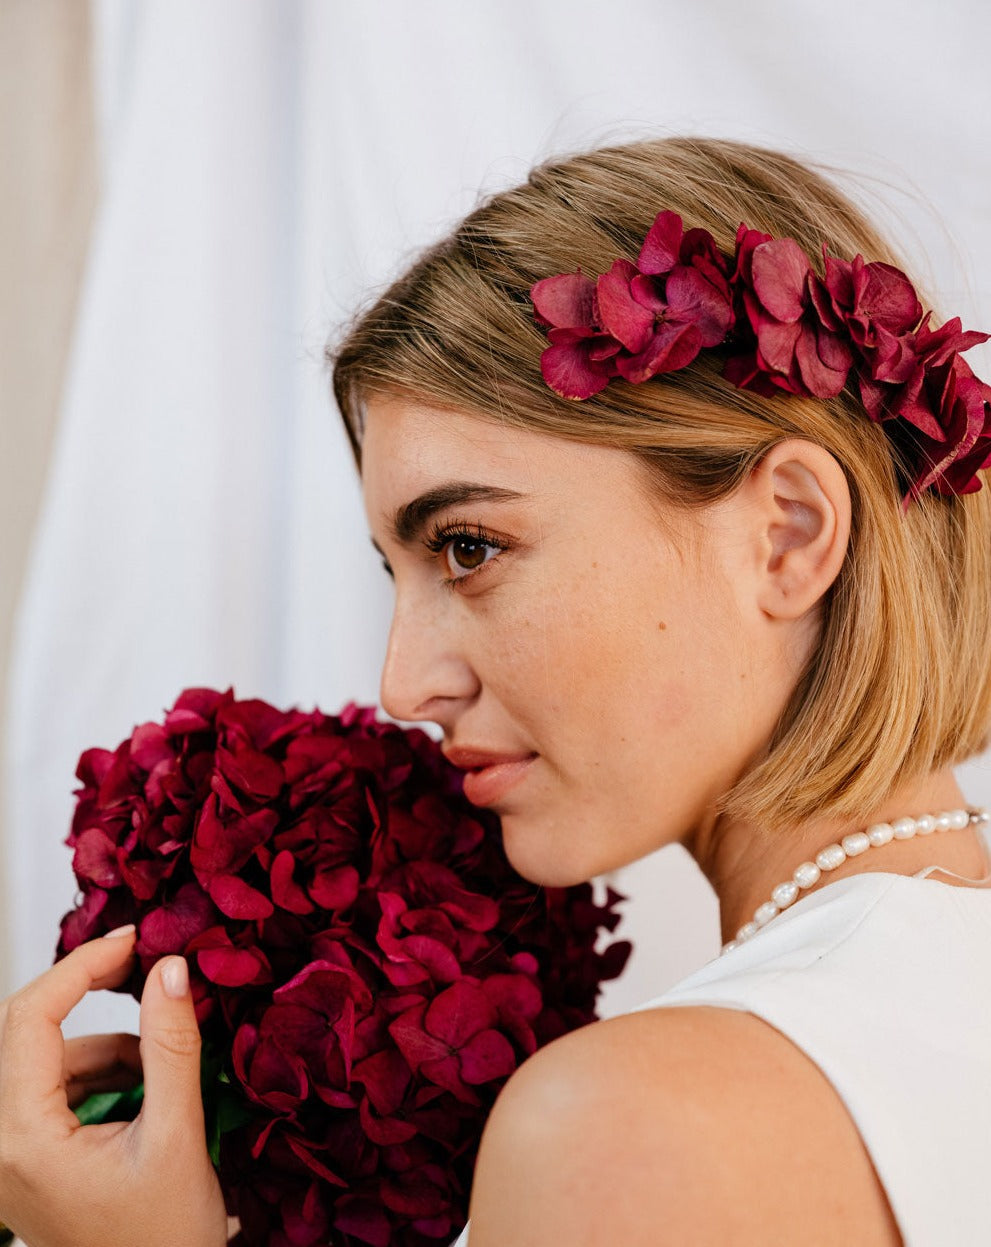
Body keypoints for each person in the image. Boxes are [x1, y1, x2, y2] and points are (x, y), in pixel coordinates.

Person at [1, 135, 990, 1246]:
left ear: (787, 533)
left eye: (469, 548)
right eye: (399, 570)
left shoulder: (629, 1127)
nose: (403, 683)